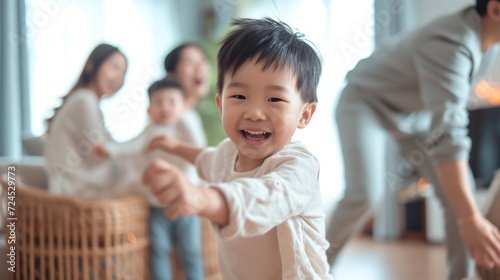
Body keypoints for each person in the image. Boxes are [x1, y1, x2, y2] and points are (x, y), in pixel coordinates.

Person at [142, 17, 333, 280]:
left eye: (274, 99)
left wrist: (203, 198)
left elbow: (263, 198)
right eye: (239, 96)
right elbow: (207, 159)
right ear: (221, 105)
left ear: (304, 114)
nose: (254, 113)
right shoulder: (226, 154)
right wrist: (175, 146)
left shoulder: (299, 168)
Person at [326, 1, 500, 279]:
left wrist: (467, 214)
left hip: (412, 116)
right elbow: (448, 136)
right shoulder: (452, 43)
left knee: (460, 191)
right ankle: (314, 265)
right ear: (495, 9)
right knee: (364, 194)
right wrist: (470, 218)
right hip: (364, 102)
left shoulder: (488, 45)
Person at [91, 78, 205, 280]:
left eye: (172, 102)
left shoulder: (185, 128)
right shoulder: (149, 133)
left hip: (186, 201)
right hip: (156, 204)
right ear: (149, 110)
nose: (165, 107)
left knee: (191, 251)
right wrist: (107, 150)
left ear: (182, 107)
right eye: (159, 102)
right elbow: (129, 147)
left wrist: (186, 115)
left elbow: (199, 148)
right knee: (159, 251)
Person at [44, 43, 129, 196]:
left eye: (123, 73)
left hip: (73, 186)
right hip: (75, 190)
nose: (119, 78)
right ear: (91, 66)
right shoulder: (85, 100)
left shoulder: (86, 100)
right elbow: (99, 155)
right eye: (114, 68)